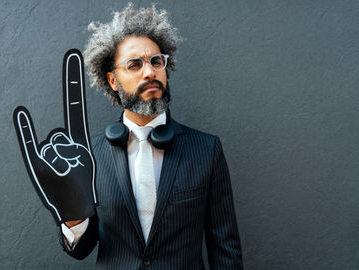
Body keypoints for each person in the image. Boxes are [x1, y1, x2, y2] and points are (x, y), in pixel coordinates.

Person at [14, 3, 243, 269]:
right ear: (112, 80)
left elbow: (225, 249)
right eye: (134, 65)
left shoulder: (207, 149)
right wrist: (73, 217)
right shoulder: (89, 157)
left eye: (156, 61)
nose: (150, 72)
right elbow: (81, 251)